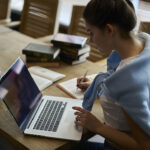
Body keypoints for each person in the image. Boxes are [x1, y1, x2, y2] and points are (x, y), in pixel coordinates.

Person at [72, 0, 150, 150]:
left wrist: (98, 127)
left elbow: (145, 145)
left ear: (109, 30)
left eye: (91, 32)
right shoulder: (143, 48)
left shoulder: (128, 81)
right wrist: (103, 87)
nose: (90, 40)